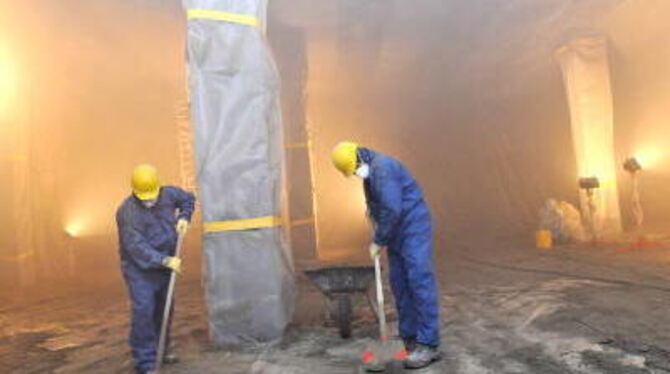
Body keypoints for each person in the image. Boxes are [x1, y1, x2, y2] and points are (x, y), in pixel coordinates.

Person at [331, 142, 441, 369]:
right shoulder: (370, 174)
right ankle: (409, 339)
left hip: (412, 227)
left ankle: (428, 344)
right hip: (395, 231)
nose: (354, 175)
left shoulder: (384, 169)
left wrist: (378, 240)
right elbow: (376, 207)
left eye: (353, 170)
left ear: (359, 160)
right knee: (400, 285)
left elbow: (392, 209)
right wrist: (376, 225)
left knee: (419, 282)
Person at [116, 164, 195, 374]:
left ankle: (163, 349)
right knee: (144, 310)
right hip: (140, 270)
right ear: (135, 192)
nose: (149, 201)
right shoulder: (127, 212)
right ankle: (146, 361)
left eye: (151, 196)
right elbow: (135, 247)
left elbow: (188, 198)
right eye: (144, 198)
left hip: (164, 264)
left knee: (164, 308)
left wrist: (184, 217)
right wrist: (164, 260)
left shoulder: (168, 194)